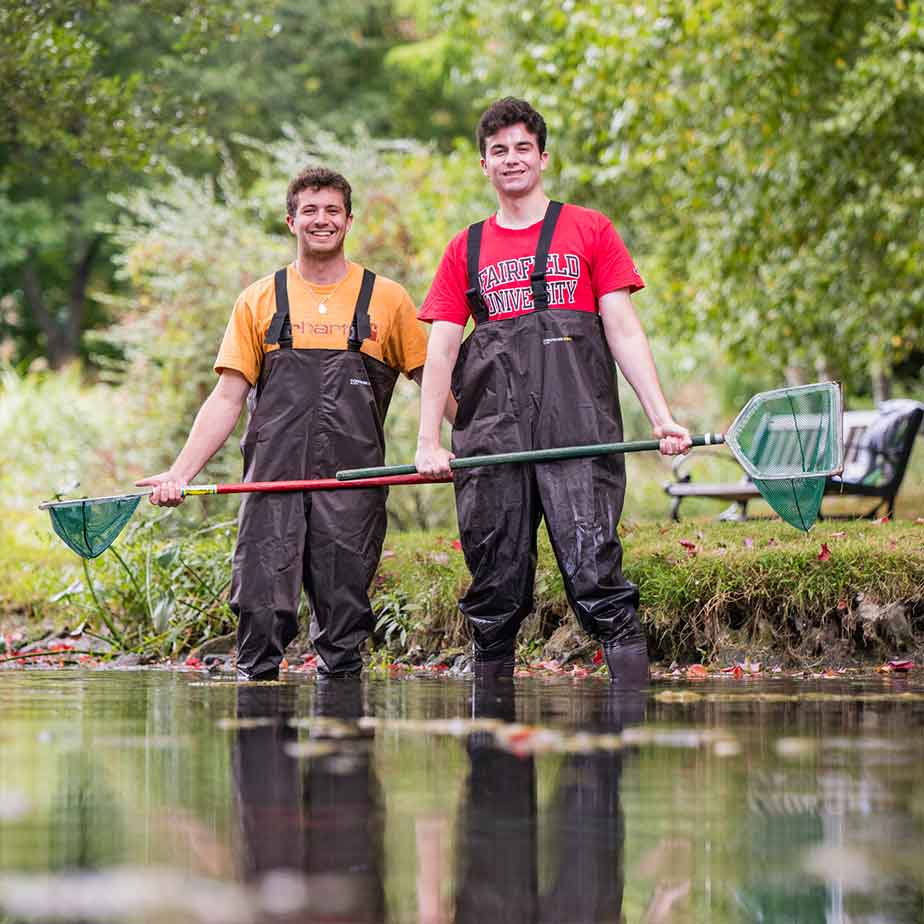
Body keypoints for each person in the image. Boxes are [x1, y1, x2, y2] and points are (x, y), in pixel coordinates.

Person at [414, 98, 691, 687]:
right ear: (482, 165)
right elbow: (438, 351)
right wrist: (428, 441)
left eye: (522, 148)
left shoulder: (590, 229)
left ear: (542, 157)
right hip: (493, 442)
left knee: (597, 576)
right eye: (498, 151)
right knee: (495, 590)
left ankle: (626, 726)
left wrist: (662, 417)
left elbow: (623, 330)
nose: (511, 160)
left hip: (579, 434)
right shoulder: (462, 249)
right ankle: (494, 751)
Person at [139, 166, 440, 680]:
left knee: (344, 626)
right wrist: (180, 473)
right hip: (271, 484)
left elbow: (435, 383)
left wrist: (477, 443)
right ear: (290, 220)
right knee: (259, 613)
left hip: (352, 490)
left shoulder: (387, 299)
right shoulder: (258, 299)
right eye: (310, 211)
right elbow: (227, 397)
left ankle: (340, 745)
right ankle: (259, 729)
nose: (321, 220)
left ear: (349, 220)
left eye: (332, 211)